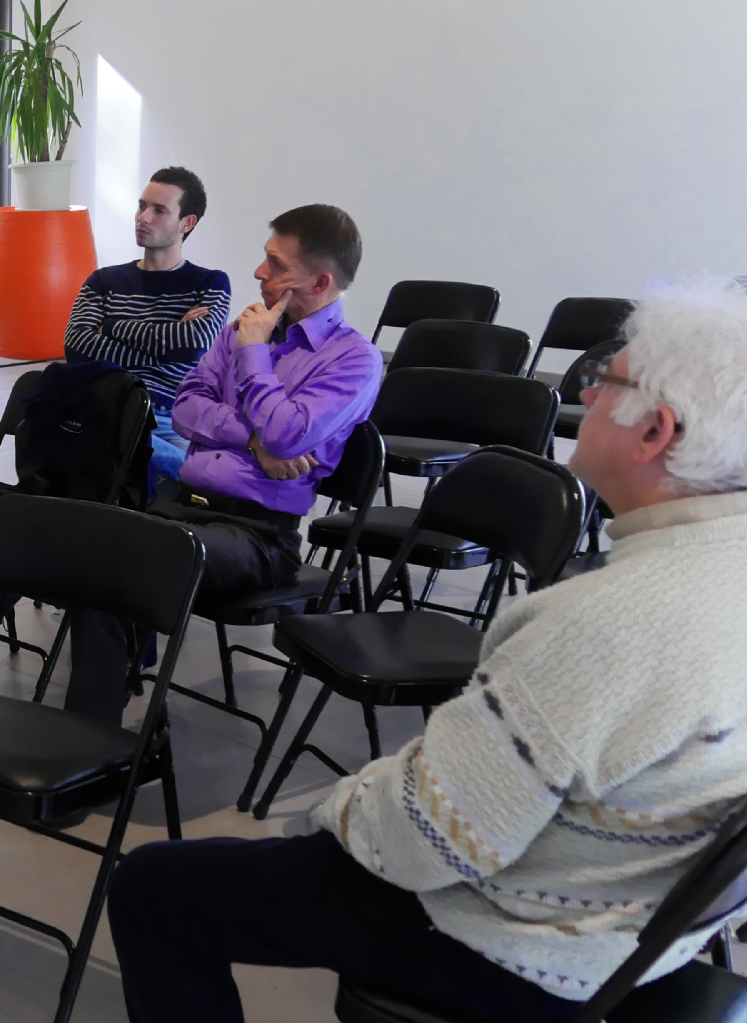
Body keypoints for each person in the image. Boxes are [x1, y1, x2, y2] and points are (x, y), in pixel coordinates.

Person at [106, 284, 747, 1022]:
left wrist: (342, 805)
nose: (587, 393)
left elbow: (425, 842)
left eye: (606, 383)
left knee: (154, 887)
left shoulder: (604, 624)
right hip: (647, 922)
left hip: (531, 945)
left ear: (655, 431)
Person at [65, 204, 382, 729]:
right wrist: (253, 437)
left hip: (256, 535)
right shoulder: (244, 327)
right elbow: (186, 409)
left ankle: (87, 737)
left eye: (277, 264)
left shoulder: (353, 360)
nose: (260, 272)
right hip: (186, 508)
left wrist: (254, 355)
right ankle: (97, 727)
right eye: (265, 258)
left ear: (321, 280)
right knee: (95, 540)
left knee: (126, 555)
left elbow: (290, 433)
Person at [63, 166, 232, 482]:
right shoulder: (104, 281)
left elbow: (192, 343)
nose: (143, 217)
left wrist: (112, 326)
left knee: (191, 483)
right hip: (102, 408)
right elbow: (77, 345)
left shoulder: (210, 283)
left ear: (187, 223)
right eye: (142, 206)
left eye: (159, 210)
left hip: (165, 417)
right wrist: (162, 347)